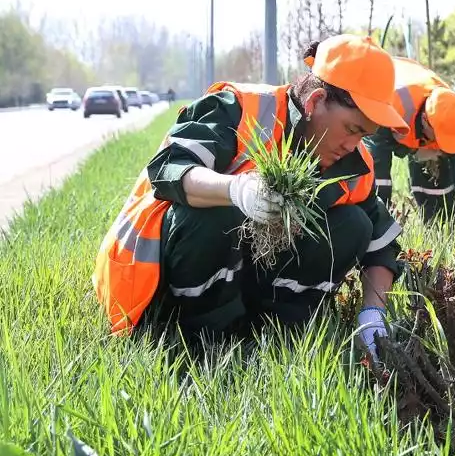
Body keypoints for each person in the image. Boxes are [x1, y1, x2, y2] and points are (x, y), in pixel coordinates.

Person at [94, 34, 409, 364]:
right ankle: (204, 344)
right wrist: (235, 190)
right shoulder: (241, 109)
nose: (353, 143)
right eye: (351, 127)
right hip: (155, 284)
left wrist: (373, 313)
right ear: (315, 101)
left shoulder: (353, 165)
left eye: (364, 134)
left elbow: (380, 243)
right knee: (215, 213)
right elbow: (170, 167)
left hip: (243, 281)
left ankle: (280, 335)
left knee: (353, 223)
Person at [366, 56, 455, 239]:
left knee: (437, 176)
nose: (441, 144)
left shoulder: (452, 113)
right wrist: (379, 215)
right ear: (425, 121)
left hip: (417, 102)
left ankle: (440, 229)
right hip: (380, 97)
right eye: (439, 137)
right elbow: (377, 162)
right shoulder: (393, 105)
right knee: (375, 177)